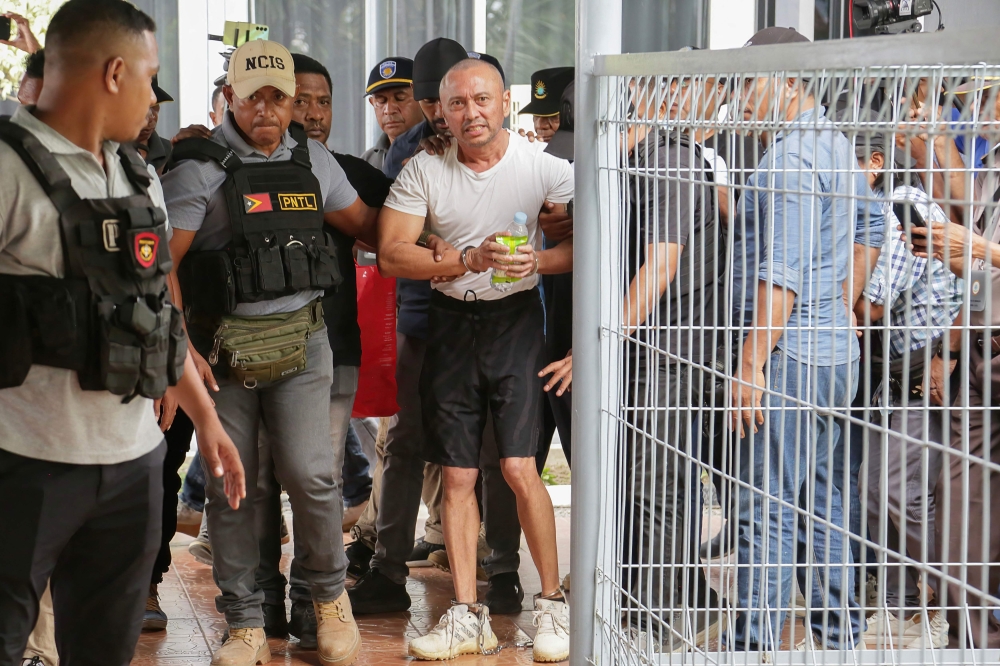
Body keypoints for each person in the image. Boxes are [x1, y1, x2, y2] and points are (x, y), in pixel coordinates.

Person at [0, 3, 244, 666]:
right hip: (26, 462)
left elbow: (156, 316)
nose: (152, 96)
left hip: (135, 464)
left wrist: (208, 420)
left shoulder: (138, 175)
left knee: (106, 649)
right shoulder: (6, 168)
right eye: (149, 75)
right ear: (114, 73)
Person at [161, 38, 377, 666]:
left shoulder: (314, 161)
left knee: (313, 477)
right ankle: (244, 623)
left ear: (291, 104)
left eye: (277, 98)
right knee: (236, 487)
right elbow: (164, 271)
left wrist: (444, 231)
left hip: (305, 346)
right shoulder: (197, 168)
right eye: (252, 96)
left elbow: (365, 225)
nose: (266, 110)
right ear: (229, 96)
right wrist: (183, 355)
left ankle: (331, 606)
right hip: (222, 355)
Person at [378, 57, 573, 662]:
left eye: (482, 100)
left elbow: (591, 242)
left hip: (515, 324)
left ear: (504, 104)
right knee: (458, 476)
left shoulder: (545, 168)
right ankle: (467, 615)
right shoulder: (424, 169)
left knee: (518, 469)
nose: (472, 113)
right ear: (441, 110)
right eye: (458, 103)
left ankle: (553, 606)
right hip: (451, 324)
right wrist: (466, 260)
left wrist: (537, 261)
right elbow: (390, 254)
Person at [347, 41, 528, 623]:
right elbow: (388, 237)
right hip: (423, 321)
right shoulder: (409, 151)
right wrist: (433, 245)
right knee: (404, 443)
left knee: (499, 452)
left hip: (497, 319)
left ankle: (503, 572)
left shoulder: (514, 150)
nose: (439, 113)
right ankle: (387, 571)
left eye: (439, 100)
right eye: (434, 103)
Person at [726, 27, 882, 652]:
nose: (739, 98)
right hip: (835, 352)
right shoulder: (836, 145)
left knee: (764, 508)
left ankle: (749, 648)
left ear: (788, 81)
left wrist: (750, 363)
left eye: (749, 83)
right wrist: (841, 303)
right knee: (826, 506)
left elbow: (781, 273)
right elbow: (872, 220)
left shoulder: (789, 158)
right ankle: (838, 643)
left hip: (789, 354)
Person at [848, 132, 958, 649]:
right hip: (891, 375)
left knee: (898, 490)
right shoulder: (875, 207)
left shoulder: (900, 211)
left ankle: (942, 600)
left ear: (873, 164)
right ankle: (898, 606)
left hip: (926, 372)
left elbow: (869, 305)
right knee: (875, 494)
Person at [904, 78, 1000, 648]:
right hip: (983, 355)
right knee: (962, 503)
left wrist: (979, 252)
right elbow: (969, 219)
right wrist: (933, 144)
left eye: (985, 94)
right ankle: (970, 642)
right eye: (968, 97)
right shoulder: (988, 161)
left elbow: (982, 247)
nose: (976, 107)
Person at [360, 56, 423, 170]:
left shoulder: (444, 151)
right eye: (381, 101)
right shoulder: (366, 162)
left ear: (422, 98)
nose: (389, 110)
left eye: (400, 98)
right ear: (372, 103)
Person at [517, 67, 573, 142]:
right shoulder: (532, 151)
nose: (539, 125)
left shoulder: (591, 152)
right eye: (536, 116)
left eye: (553, 117)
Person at [135, 76, 173, 173]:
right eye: (142, 106)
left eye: (154, 106)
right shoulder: (108, 152)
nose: (152, 116)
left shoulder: (170, 150)